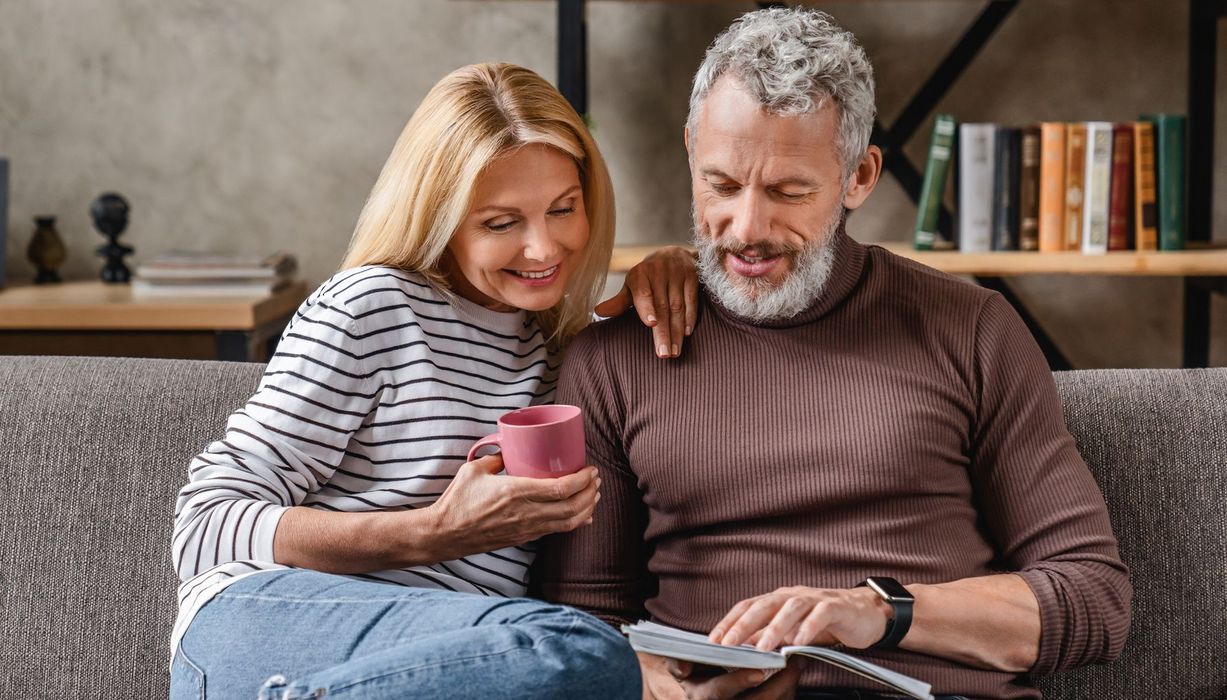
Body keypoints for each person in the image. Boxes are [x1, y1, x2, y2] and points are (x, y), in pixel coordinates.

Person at [535, 8, 1131, 699]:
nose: (746, 229)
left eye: (788, 192)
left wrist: (877, 611)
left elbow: (1092, 601)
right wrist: (668, 690)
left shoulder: (970, 329)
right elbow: (581, 621)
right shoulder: (614, 358)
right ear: (690, 156)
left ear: (858, 177)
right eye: (720, 185)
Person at [169, 62, 698, 699]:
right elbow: (202, 528)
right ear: (442, 218)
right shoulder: (371, 309)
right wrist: (435, 532)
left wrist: (681, 264)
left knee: (591, 659)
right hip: (258, 627)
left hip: (438, 666)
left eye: (564, 208)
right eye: (501, 223)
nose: (544, 248)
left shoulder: (567, 351)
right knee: (579, 649)